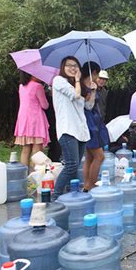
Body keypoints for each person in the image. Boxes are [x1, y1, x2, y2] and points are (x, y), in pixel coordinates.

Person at [52, 56, 90, 199]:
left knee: (75, 166)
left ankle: (70, 195)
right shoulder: (58, 81)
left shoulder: (75, 85)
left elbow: (88, 106)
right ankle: (55, 197)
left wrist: (92, 90)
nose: (73, 68)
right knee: (71, 165)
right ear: (63, 67)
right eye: (69, 65)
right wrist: (79, 80)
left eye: (75, 65)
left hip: (80, 130)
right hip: (68, 129)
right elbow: (75, 95)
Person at [81, 62, 109, 191]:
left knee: (89, 156)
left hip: (95, 122)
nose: (98, 78)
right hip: (89, 123)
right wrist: (92, 91)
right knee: (99, 156)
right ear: (93, 73)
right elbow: (88, 106)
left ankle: (87, 185)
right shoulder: (85, 87)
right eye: (97, 74)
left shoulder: (87, 85)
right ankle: (91, 185)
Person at [13, 72, 50, 166]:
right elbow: (45, 105)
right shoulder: (38, 86)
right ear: (31, 74)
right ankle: (34, 175)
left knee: (25, 149)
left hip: (23, 119)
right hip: (35, 119)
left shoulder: (21, 86)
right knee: (37, 150)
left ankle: (24, 173)